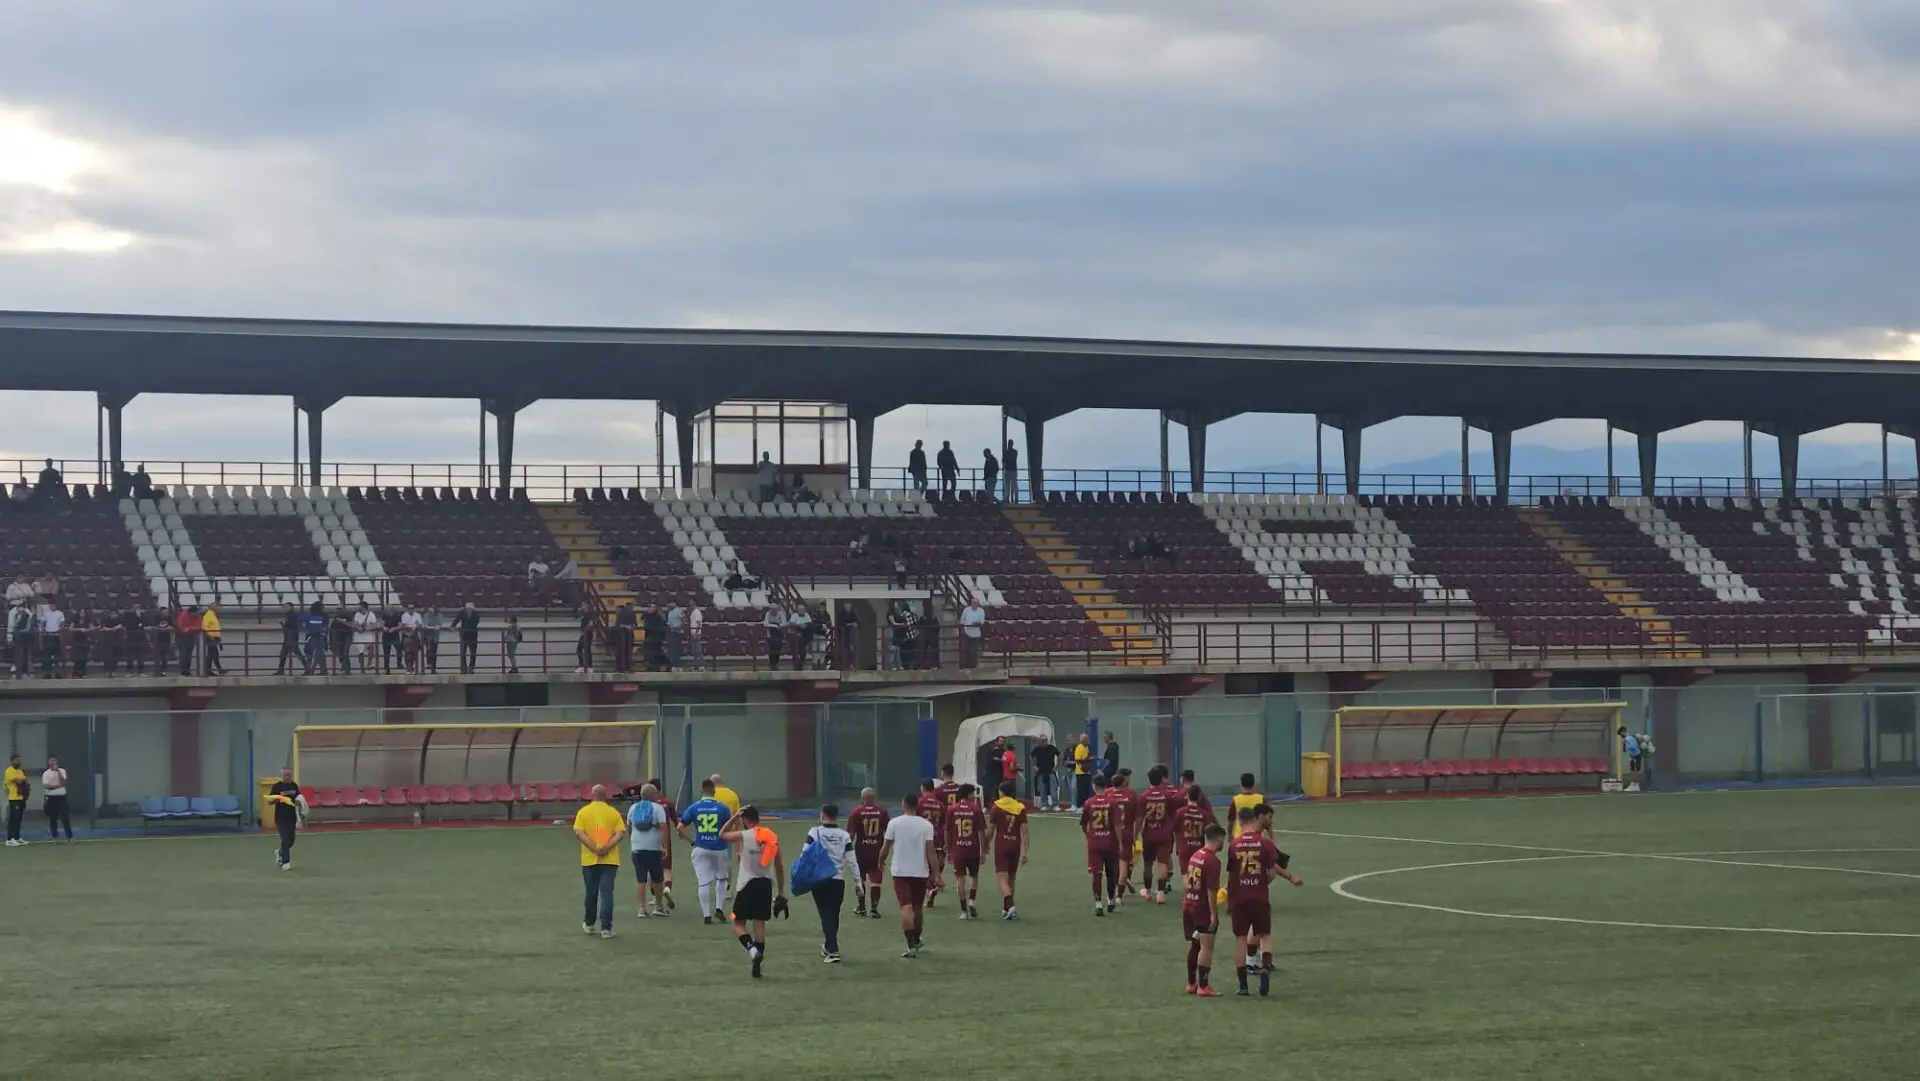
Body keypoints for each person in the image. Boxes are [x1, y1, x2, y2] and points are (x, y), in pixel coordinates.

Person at [1227, 805, 1302, 997]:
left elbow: (1232, 875)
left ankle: (1243, 985)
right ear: (1254, 819)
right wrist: (1261, 883)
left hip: (1240, 897)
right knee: (1265, 935)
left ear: (1240, 822)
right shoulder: (1265, 843)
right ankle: (1265, 969)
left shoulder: (1234, 845)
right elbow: (1270, 872)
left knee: (1240, 939)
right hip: (1259, 895)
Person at [721, 805, 786, 979]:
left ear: (744, 819)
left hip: (747, 885)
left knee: (737, 922)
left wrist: (733, 817)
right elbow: (779, 867)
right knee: (759, 924)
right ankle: (757, 966)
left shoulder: (744, 835)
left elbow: (722, 834)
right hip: (765, 885)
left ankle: (751, 949)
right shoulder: (771, 836)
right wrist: (780, 891)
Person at [879, 794, 936, 958]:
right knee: (917, 908)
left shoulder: (894, 823)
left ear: (903, 804)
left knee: (905, 906)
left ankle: (910, 945)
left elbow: (886, 846)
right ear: (917, 805)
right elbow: (930, 851)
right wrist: (936, 873)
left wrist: (881, 860)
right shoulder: (926, 825)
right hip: (920, 871)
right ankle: (917, 940)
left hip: (901, 871)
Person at [805, 804, 859, 963]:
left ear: (822, 815)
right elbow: (851, 859)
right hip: (838, 880)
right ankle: (829, 946)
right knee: (833, 914)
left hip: (820, 879)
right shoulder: (844, 835)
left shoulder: (814, 832)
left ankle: (833, 950)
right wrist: (858, 881)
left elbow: (805, 854)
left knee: (825, 914)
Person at [573, 784, 626, 939]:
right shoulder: (613, 812)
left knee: (591, 892)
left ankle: (589, 924)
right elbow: (619, 833)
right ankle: (606, 928)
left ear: (592, 795)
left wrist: (594, 848)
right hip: (609, 860)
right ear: (605, 795)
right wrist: (606, 848)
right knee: (607, 893)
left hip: (589, 860)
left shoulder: (583, 812)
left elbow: (580, 833)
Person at [1182, 824, 1229, 997]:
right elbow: (1211, 891)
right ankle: (1203, 985)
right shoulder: (1212, 861)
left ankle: (1191, 983)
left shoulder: (1196, 855)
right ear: (1218, 839)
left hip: (1189, 904)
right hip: (1201, 907)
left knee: (1195, 944)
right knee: (1206, 947)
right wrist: (1213, 914)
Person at [678, 779, 734, 924]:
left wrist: (691, 841)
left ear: (701, 791)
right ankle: (719, 908)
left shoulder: (694, 807)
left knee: (703, 882)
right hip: (720, 848)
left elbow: (680, 827)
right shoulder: (723, 808)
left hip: (701, 847)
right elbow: (730, 827)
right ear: (714, 791)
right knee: (721, 879)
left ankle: (706, 915)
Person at [1139, 765, 1183, 903]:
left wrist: (1137, 833)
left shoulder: (1144, 795)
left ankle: (1147, 891)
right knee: (1162, 863)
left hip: (1149, 832)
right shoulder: (1169, 795)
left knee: (1147, 863)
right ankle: (1161, 894)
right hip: (1164, 833)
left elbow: (1140, 818)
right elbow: (1174, 814)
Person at [626, 782, 670, 918]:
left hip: (637, 848)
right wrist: (665, 846)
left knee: (640, 879)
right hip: (653, 848)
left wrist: (633, 840)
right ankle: (658, 906)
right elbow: (663, 827)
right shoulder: (658, 808)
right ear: (652, 795)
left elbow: (629, 826)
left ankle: (641, 908)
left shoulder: (633, 808)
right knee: (657, 878)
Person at [987, 779, 1029, 919]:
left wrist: (985, 844)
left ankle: (1010, 905)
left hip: (1001, 845)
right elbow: (1024, 831)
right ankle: (1006, 908)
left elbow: (991, 830)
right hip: (1015, 845)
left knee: (1002, 879)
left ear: (1001, 792)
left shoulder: (996, 807)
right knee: (1012, 878)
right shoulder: (1020, 807)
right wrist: (1025, 851)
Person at [944, 783, 987, 920]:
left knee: (960, 879)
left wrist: (948, 848)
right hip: (972, 849)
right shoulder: (976, 810)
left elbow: (947, 831)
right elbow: (981, 832)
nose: (974, 796)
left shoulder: (951, 810)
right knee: (974, 877)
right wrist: (983, 850)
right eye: (973, 794)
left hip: (957, 849)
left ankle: (963, 911)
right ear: (968, 794)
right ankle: (972, 901)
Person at [846, 788, 890, 918]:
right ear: (874, 798)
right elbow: (889, 831)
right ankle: (874, 909)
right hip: (877, 851)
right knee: (876, 881)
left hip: (861, 852)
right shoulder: (882, 811)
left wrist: (847, 852)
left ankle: (861, 907)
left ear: (862, 798)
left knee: (860, 880)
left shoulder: (856, 812)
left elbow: (851, 834)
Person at [1080, 776, 1120, 916]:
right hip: (1110, 841)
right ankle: (1110, 900)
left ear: (1094, 786)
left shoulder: (1088, 803)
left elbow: (1083, 823)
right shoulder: (1112, 802)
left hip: (1095, 842)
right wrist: (1119, 842)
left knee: (1097, 873)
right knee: (1111, 872)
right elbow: (1117, 826)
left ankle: (1098, 902)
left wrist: (1088, 835)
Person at [1175, 784, 1217, 873]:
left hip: (1184, 847)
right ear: (1199, 797)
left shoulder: (1180, 812)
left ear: (1186, 796)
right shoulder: (1205, 815)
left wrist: (1178, 846)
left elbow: (1177, 831)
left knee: (1186, 876)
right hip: (1199, 849)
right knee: (1199, 877)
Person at [42, 755, 72, 843]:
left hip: (62, 797)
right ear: (48, 762)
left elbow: (63, 782)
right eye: (51, 761)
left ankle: (69, 837)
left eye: (54, 760)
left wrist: (58, 771)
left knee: (65, 817)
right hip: (51, 798)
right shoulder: (46, 773)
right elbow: (47, 786)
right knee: (53, 818)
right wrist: (58, 786)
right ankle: (55, 837)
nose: (53, 762)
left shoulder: (62, 771)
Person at [1231, 773, 1266, 838]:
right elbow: (1266, 819)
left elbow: (1231, 820)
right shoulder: (1261, 798)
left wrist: (1230, 835)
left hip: (1239, 836)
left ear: (1241, 784)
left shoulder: (1236, 799)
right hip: (1257, 836)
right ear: (1254, 784)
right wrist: (1272, 837)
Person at [1030, 735, 1059, 810]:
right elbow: (1032, 757)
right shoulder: (1037, 749)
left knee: (1053, 789)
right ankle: (1044, 804)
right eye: (1043, 740)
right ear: (1040, 741)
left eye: (1045, 740)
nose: (1044, 742)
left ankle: (1055, 805)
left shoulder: (1052, 748)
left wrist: (1057, 766)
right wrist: (1034, 766)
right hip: (1041, 772)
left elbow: (1059, 755)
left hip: (1051, 771)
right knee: (1042, 790)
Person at [4, 753, 28, 846]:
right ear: (12, 761)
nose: (18, 762)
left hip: (21, 797)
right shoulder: (9, 771)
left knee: (19, 818)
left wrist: (22, 780)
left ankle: (17, 837)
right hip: (13, 798)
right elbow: (17, 781)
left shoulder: (19, 771)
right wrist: (21, 780)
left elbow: (24, 780)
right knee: (13, 819)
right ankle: (10, 839)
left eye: (19, 760)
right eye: (16, 760)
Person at [453, 602, 481, 674]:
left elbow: (477, 621)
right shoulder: (462, 612)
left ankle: (471, 668)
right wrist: (452, 626)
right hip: (464, 635)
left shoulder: (476, 613)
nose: (468, 610)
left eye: (470, 609)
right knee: (463, 653)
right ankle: (463, 668)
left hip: (473, 635)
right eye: (467, 609)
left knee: (473, 653)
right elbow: (457, 619)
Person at [1071, 734, 1094, 809]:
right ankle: (1080, 806)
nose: (1088, 741)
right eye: (1087, 739)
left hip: (1087, 772)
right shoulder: (1079, 748)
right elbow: (1078, 760)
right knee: (1081, 790)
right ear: (1083, 740)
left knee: (1087, 790)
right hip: (1080, 772)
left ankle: (1085, 805)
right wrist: (1087, 761)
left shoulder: (1087, 747)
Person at [1620, 726, 1645, 791]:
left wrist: (1626, 742)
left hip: (1636, 756)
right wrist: (1624, 744)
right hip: (1632, 757)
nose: (1621, 735)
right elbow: (1625, 750)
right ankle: (1634, 785)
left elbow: (1634, 747)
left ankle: (1634, 784)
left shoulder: (1629, 738)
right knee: (1632, 770)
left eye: (1621, 733)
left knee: (1635, 770)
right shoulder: (1626, 739)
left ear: (1624, 732)